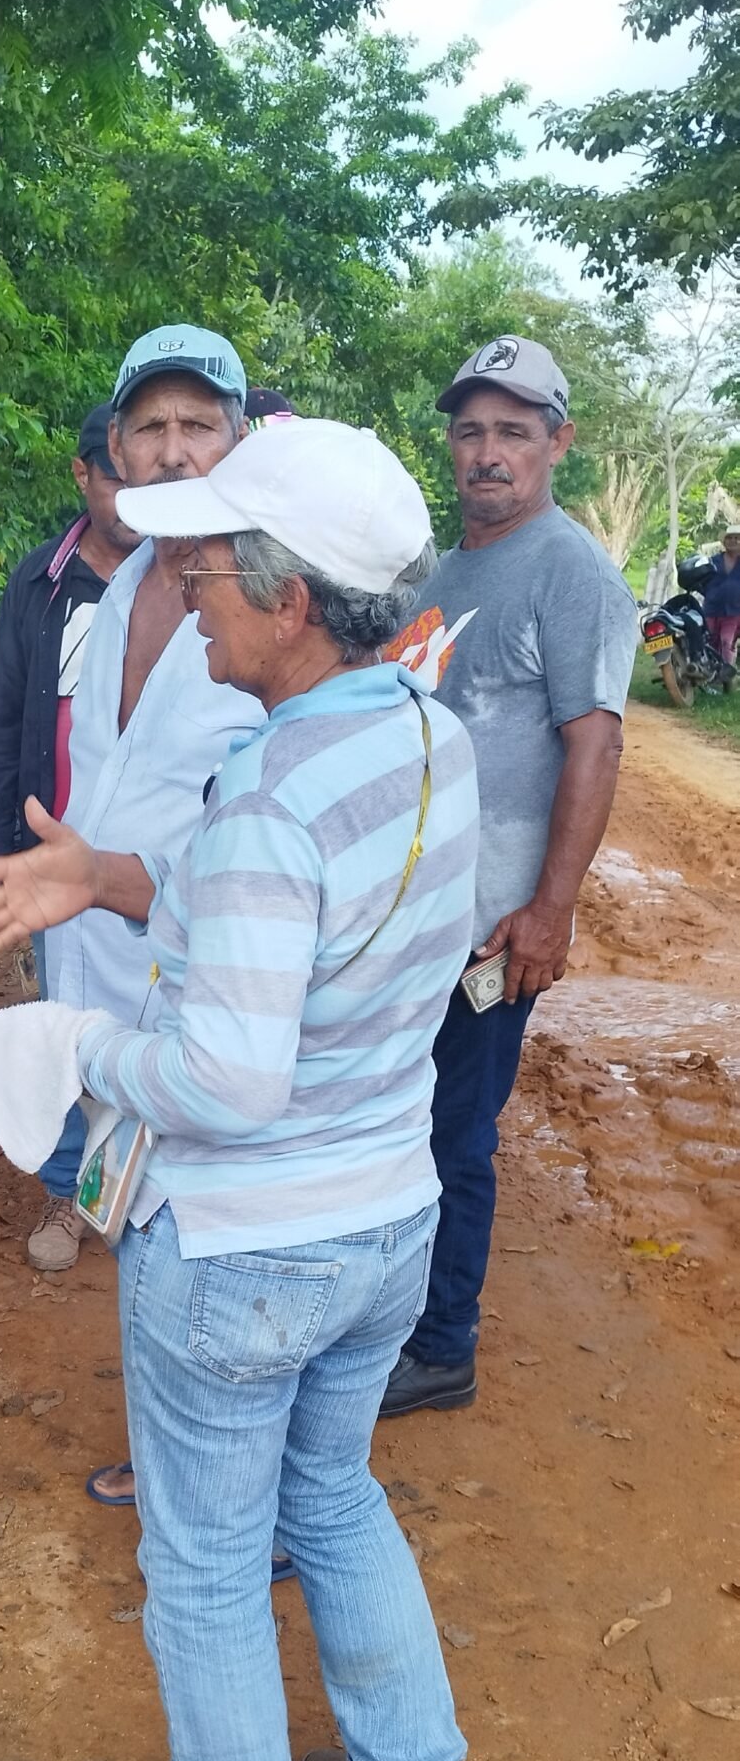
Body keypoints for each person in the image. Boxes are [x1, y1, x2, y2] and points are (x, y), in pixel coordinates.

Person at [0, 419, 481, 1761]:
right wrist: (112, 876)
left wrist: (89, 1046)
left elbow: (227, 1072)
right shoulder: (423, 739)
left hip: (244, 1244)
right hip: (384, 1221)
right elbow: (324, 913)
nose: (184, 604)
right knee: (336, 1489)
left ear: (290, 599)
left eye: (201, 577)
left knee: (201, 1547)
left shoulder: (259, 805)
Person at [378, 335, 635, 1420]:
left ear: (556, 444)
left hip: (490, 928)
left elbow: (595, 743)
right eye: (471, 430)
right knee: (400, 1121)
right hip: (416, 914)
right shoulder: (449, 569)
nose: (487, 452)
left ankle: (441, 1346)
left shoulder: (571, 571)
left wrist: (549, 911)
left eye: (513, 433)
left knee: (455, 1133)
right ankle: (394, 1318)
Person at [23, 324, 270, 1279]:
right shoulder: (119, 583)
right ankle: (90, 1211)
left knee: (194, 1212)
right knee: (98, 1111)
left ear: (237, 441)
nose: (173, 449)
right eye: (151, 426)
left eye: (199, 424)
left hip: (197, 950)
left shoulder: (275, 600)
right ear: (114, 452)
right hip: (87, 934)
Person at [0, 407, 138, 866]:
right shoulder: (41, 580)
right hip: (50, 858)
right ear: (82, 474)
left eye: (145, 485)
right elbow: (1, 721)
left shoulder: (186, 583)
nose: (134, 501)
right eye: (118, 483)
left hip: (145, 865)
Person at [701, 527, 740, 680]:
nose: (734, 541)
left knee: (726, 641)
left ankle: (726, 677)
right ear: (724, 541)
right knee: (710, 641)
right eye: (730, 538)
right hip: (711, 608)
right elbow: (703, 580)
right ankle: (711, 674)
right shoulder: (713, 561)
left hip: (734, 611)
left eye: (737, 538)